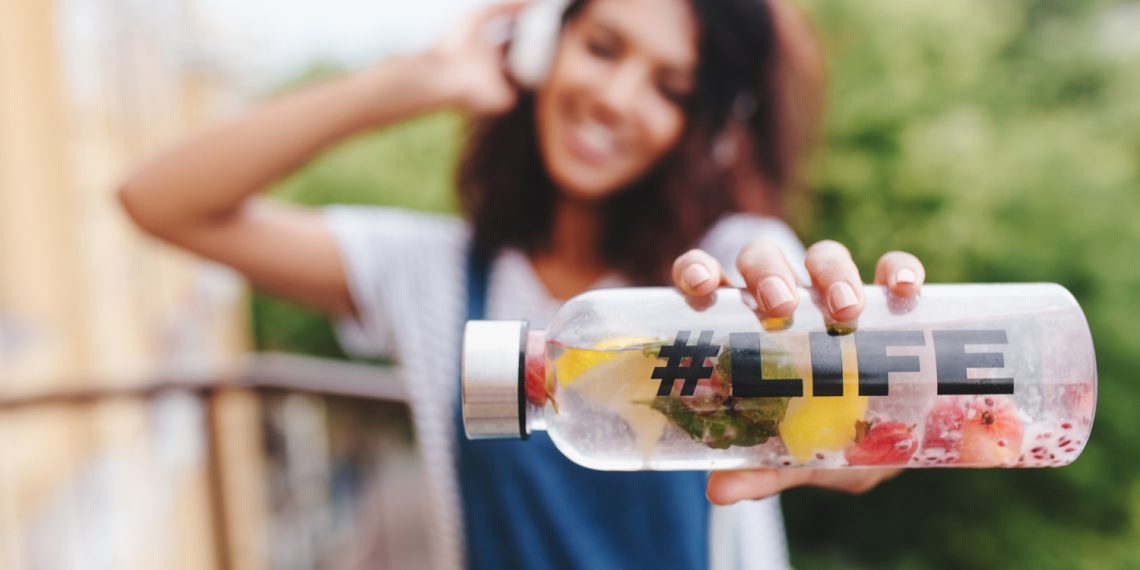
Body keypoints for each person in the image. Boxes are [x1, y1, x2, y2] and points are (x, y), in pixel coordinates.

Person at [118, 0, 926, 567]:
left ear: (705, 128)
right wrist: (417, 80)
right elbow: (160, 201)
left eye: (670, 87)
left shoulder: (724, 272)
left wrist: (855, 423)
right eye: (602, 47)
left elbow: (807, 338)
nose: (614, 97)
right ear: (543, 45)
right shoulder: (427, 276)